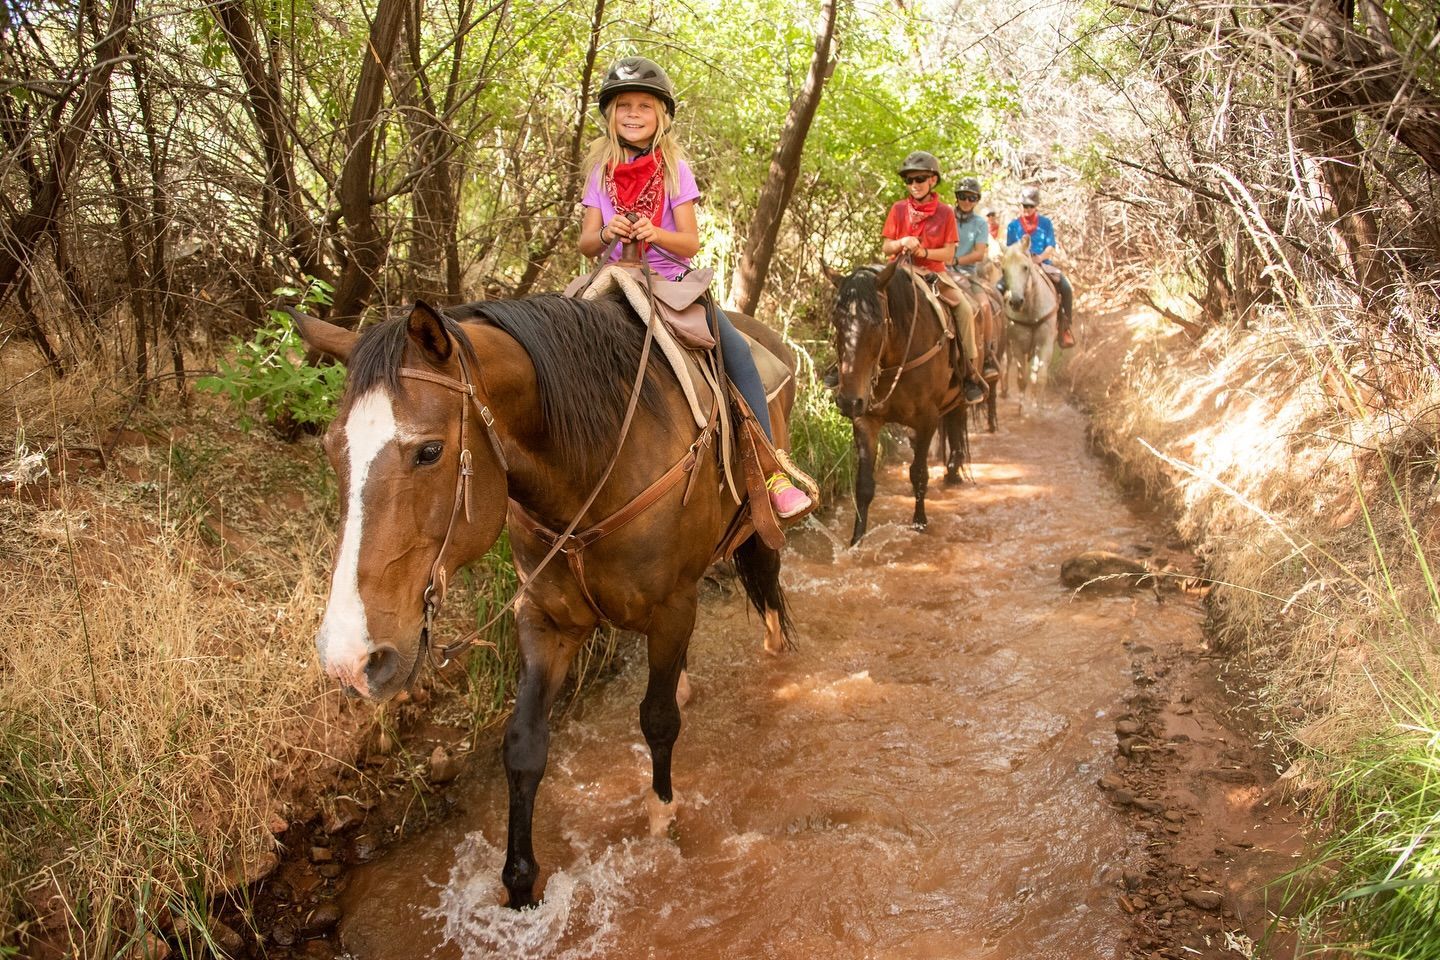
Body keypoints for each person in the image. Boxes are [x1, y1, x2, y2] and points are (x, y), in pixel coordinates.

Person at [578, 56, 811, 518]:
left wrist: (653, 233)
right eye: (624, 105)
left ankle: (771, 470)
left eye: (644, 106)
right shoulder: (599, 173)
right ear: (611, 114)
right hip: (609, 280)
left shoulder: (674, 171)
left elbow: (689, 243)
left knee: (737, 352)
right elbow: (587, 242)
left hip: (668, 280)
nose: (633, 113)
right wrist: (608, 233)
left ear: (660, 115)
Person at [880, 152, 986, 404]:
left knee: (964, 309)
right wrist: (902, 242)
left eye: (920, 179)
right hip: (898, 271)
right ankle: (842, 368)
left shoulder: (945, 213)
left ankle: (969, 372)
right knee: (861, 301)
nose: (914, 185)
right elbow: (886, 247)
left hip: (933, 272)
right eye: (909, 180)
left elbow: (949, 254)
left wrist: (923, 251)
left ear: (933, 181)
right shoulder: (898, 209)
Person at [1005, 185, 1075, 349]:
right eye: (1025, 206)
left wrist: (1040, 258)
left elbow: (1050, 246)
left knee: (1065, 287)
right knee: (999, 287)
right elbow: (1011, 249)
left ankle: (1065, 328)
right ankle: (1001, 326)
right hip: (1020, 265)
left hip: (1042, 263)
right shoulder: (1013, 226)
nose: (1027, 209)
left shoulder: (1045, 223)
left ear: (1036, 206)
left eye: (1030, 206)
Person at [947, 177, 1000, 377]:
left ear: (976, 200)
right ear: (957, 197)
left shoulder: (980, 223)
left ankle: (987, 356)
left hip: (968, 274)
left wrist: (956, 261)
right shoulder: (946, 216)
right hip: (939, 270)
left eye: (971, 198)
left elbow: (979, 254)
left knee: (985, 306)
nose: (966, 201)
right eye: (962, 196)